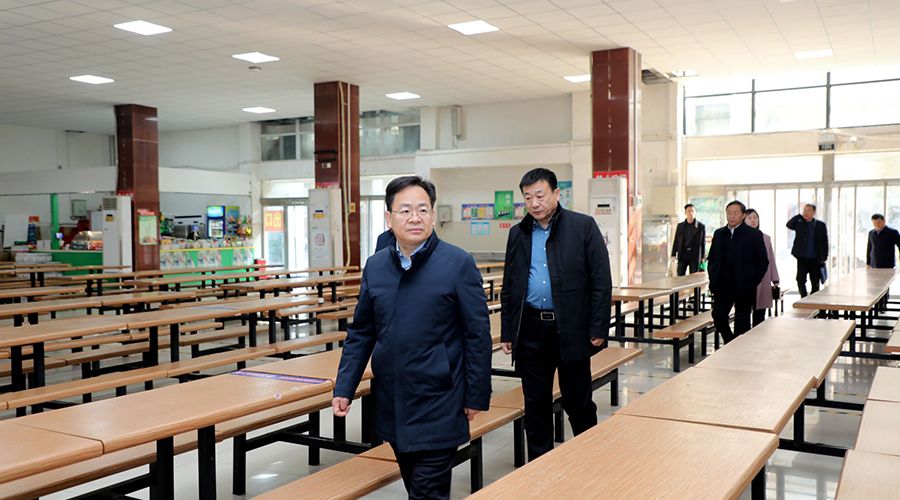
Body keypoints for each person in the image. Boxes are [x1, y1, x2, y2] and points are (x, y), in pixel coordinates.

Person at [332, 176, 492, 500]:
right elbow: (362, 331)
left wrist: (476, 395)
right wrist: (344, 387)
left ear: (432, 215)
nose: (415, 218)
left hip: (440, 398)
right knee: (414, 484)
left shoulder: (457, 264)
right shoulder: (376, 266)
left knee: (427, 491)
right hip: (392, 399)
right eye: (405, 210)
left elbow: (477, 335)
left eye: (422, 209)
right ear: (389, 218)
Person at [499, 167, 612, 461]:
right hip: (530, 330)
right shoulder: (518, 234)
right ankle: (541, 467)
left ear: (557, 193)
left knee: (578, 401)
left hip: (570, 328)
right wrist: (508, 331)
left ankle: (590, 459)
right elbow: (510, 286)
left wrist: (598, 327)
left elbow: (601, 280)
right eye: (528, 197)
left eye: (540, 195)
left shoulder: (582, 226)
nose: (534, 203)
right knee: (535, 405)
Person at [706, 201, 768, 344]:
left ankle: (739, 350)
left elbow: (762, 261)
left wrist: (753, 282)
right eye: (729, 213)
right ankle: (730, 342)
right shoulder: (719, 233)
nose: (731, 216)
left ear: (743, 215)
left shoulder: (754, 235)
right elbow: (712, 258)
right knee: (718, 316)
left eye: (735, 213)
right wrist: (713, 276)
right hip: (722, 285)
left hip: (744, 286)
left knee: (742, 323)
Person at [744, 209, 780, 326]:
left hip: (762, 278)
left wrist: (775, 279)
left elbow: (771, 260)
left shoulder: (766, 238)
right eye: (749, 218)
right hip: (746, 280)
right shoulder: (740, 237)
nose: (753, 220)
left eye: (755, 217)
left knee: (760, 313)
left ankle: (757, 334)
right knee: (744, 313)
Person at [786, 203, 828, 297]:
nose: (806, 212)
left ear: (814, 212)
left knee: (815, 281)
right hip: (802, 258)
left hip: (815, 259)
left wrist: (824, 257)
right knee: (800, 280)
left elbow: (825, 242)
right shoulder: (800, 223)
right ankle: (803, 297)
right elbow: (789, 225)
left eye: (808, 210)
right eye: (804, 210)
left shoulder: (820, 225)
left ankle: (813, 299)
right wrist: (798, 216)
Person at [671, 203, 706, 276]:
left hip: (695, 254)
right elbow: (676, 240)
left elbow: (703, 243)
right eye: (689, 211)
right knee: (680, 274)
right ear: (685, 213)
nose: (691, 213)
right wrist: (673, 254)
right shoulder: (680, 226)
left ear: (695, 213)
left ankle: (695, 284)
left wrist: (703, 256)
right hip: (683, 253)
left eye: (692, 211)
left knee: (695, 275)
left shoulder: (701, 226)